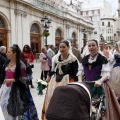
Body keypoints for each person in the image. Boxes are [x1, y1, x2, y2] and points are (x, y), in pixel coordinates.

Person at [77, 39, 120, 119]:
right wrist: (80, 81)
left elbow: (107, 73)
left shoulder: (102, 59)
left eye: (93, 45)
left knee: (101, 108)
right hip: (87, 85)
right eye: (89, 46)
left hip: (100, 85)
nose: (91, 47)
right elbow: (80, 72)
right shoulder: (85, 59)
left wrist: (100, 80)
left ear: (97, 47)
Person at [41, 40, 79, 120]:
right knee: (52, 100)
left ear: (68, 47)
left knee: (65, 104)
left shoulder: (73, 60)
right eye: (60, 47)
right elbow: (51, 71)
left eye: (64, 47)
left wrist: (76, 87)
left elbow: (76, 74)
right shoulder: (55, 58)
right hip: (54, 83)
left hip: (68, 83)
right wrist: (46, 81)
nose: (61, 49)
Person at [0, 44, 38, 120]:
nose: (7, 53)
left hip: (17, 89)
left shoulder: (21, 65)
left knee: (16, 107)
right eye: (7, 52)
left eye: (9, 52)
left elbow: (24, 78)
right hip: (6, 87)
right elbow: (3, 75)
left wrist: (12, 80)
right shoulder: (6, 63)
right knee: (3, 104)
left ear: (15, 54)